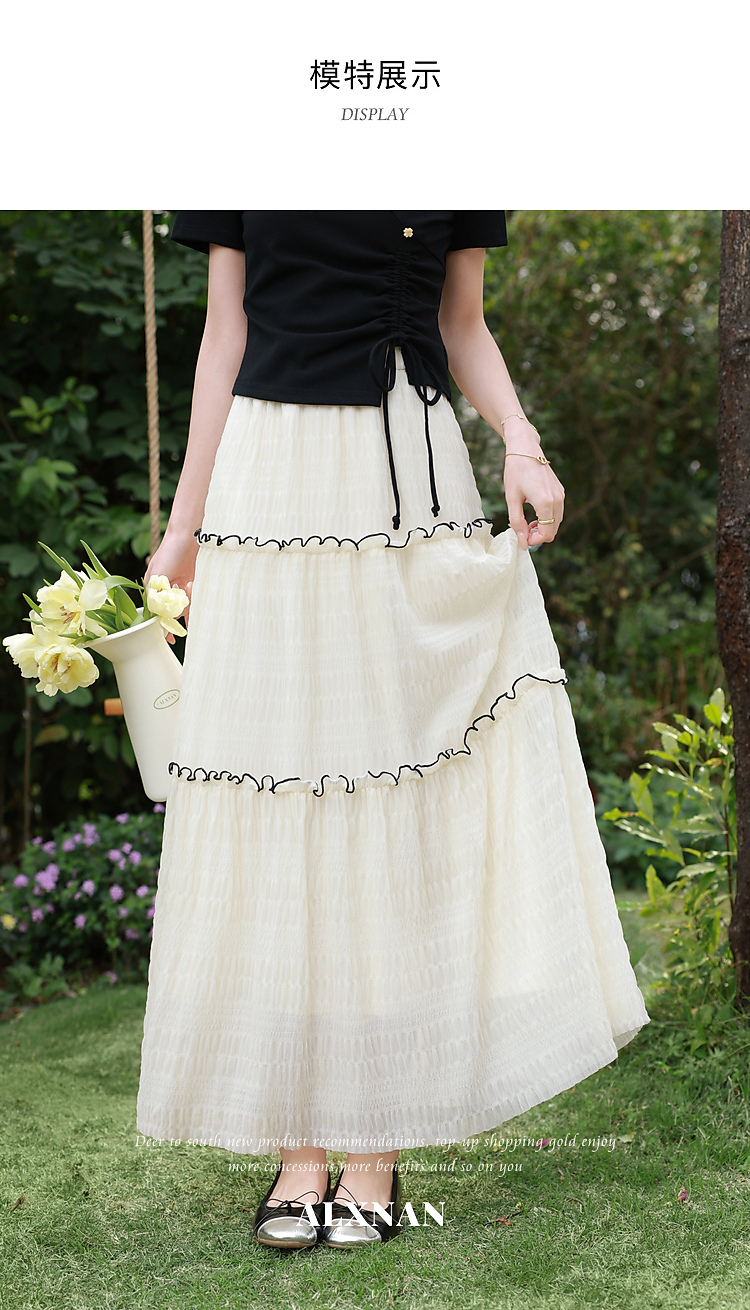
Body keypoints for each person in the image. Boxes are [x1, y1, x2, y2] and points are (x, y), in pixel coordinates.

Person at [135, 211, 649, 1251]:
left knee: (399, 792)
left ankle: (374, 1139)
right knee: (279, 793)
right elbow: (225, 334)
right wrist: (185, 527)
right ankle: (299, 1148)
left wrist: (522, 442)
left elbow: (462, 323)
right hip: (269, 476)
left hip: (408, 472)